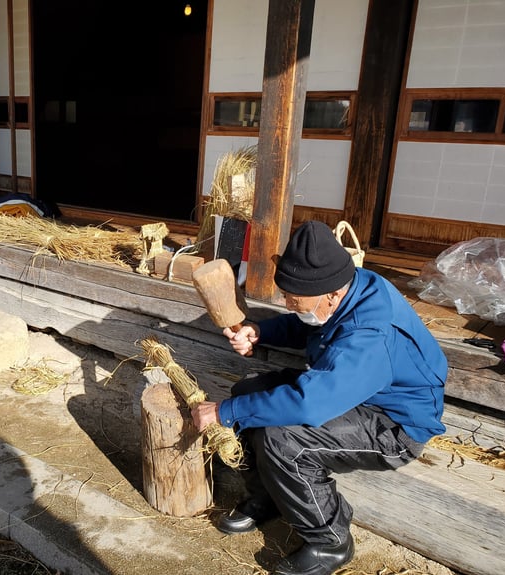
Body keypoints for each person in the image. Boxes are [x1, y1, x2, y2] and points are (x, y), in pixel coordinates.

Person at [191, 220, 447, 575]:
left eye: (293, 299)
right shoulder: (347, 287)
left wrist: (224, 411)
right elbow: (306, 323)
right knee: (249, 392)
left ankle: (330, 542)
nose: (287, 303)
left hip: (393, 424)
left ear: (331, 295)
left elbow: (309, 404)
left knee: (283, 439)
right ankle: (270, 496)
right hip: (349, 392)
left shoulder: (370, 333)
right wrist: (260, 330)